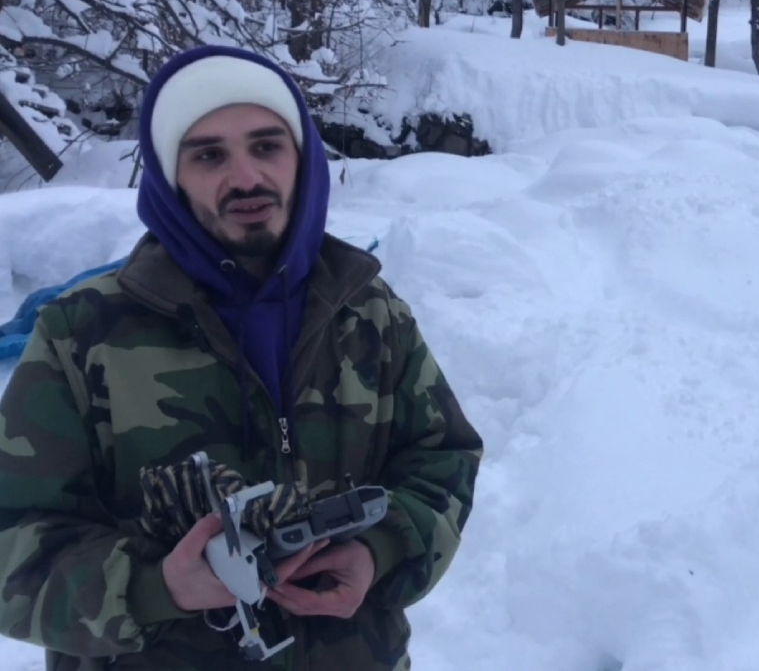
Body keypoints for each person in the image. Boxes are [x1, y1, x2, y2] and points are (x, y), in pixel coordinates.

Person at [0, 44, 483, 670]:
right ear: (171, 175)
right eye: (208, 154)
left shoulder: (367, 311)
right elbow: (13, 543)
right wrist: (156, 587)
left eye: (266, 145)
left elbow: (442, 458)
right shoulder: (83, 333)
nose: (247, 178)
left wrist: (379, 550)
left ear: (301, 157)